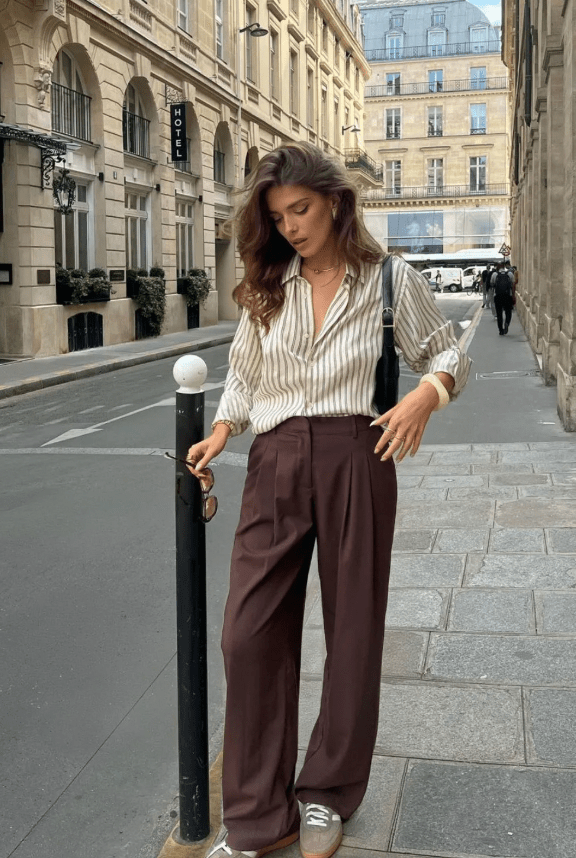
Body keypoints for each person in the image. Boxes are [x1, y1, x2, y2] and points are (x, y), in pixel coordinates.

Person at [186, 143, 471, 858]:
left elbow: (448, 352)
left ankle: (326, 794)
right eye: (279, 216)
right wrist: (221, 430)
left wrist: (427, 396)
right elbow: (244, 374)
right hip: (275, 460)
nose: (290, 227)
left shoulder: (389, 280)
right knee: (247, 633)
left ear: (336, 202)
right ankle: (256, 816)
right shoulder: (269, 284)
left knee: (353, 632)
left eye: (301, 209)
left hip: (357, 454)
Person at [491, 262, 515, 335]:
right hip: (507, 296)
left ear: (498, 267)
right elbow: (513, 285)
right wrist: (513, 295)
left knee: (499, 313)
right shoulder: (510, 274)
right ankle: (507, 322)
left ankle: (501, 330)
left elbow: (492, 284)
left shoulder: (494, 274)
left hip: (498, 296)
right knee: (508, 312)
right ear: (504, 266)